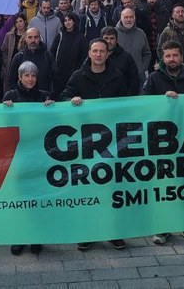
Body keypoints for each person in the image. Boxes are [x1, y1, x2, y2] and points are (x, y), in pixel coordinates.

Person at [60, 37, 129, 251]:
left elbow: (127, 103)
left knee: (111, 188)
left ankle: (113, 232)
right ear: (89, 53)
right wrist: (71, 102)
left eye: (102, 51)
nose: (98, 54)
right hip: (86, 142)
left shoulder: (117, 76)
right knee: (87, 188)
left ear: (108, 54)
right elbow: (64, 97)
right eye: (95, 51)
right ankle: (87, 232)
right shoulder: (78, 76)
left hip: (111, 141)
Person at [143, 39, 184, 247]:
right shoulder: (154, 78)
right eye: (168, 56)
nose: (172, 59)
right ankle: (163, 227)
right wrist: (162, 99)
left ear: (181, 57)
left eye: (175, 55)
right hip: (163, 141)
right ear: (162, 57)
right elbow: (144, 103)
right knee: (164, 184)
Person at [3, 60, 53, 256]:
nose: (30, 79)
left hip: (39, 154)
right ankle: (19, 236)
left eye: (33, 75)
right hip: (19, 154)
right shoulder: (10, 96)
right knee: (19, 197)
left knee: (37, 197)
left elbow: (54, 123)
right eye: (26, 75)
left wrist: (52, 109)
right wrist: (6, 109)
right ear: (19, 77)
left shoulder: (45, 96)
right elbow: (3, 124)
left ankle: (35, 236)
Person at [50, 13, 87, 98]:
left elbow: (84, 56)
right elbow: (52, 53)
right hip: (59, 74)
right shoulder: (60, 36)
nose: (67, 22)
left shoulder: (81, 38)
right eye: (65, 21)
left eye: (69, 20)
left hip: (75, 73)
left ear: (74, 22)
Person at [6, 27, 54, 93]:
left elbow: (55, 78)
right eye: (30, 37)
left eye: (36, 37)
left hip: (44, 96)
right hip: (23, 96)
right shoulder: (18, 57)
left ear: (40, 38)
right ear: (25, 39)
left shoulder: (48, 56)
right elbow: (12, 79)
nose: (33, 40)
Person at [115, 8, 151, 77]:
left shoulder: (141, 33)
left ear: (134, 18)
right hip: (118, 76)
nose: (129, 20)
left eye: (131, 17)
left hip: (138, 75)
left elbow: (147, 53)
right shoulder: (114, 34)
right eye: (126, 17)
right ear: (121, 19)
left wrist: (142, 68)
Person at [0, 14, 28, 94]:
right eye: (16, 22)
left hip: (24, 66)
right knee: (10, 89)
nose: (19, 24)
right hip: (11, 67)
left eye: (20, 21)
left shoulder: (29, 35)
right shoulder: (9, 35)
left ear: (25, 22)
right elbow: (4, 50)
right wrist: (7, 61)